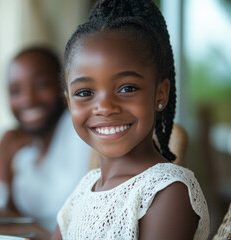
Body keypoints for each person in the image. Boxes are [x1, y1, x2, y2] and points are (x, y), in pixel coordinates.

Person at [51, 0, 210, 239]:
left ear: (160, 94)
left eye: (127, 88)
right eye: (84, 93)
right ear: (69, 101)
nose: (105, 107)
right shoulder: (87, 187)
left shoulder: (167, 192)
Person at [0, 47, 91, 232]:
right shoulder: (25, 154)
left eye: (41, 85)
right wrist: (4, 172)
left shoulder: (78, 132)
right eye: (15, 91)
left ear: (63, 85)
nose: (28, 99)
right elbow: (16, 222)